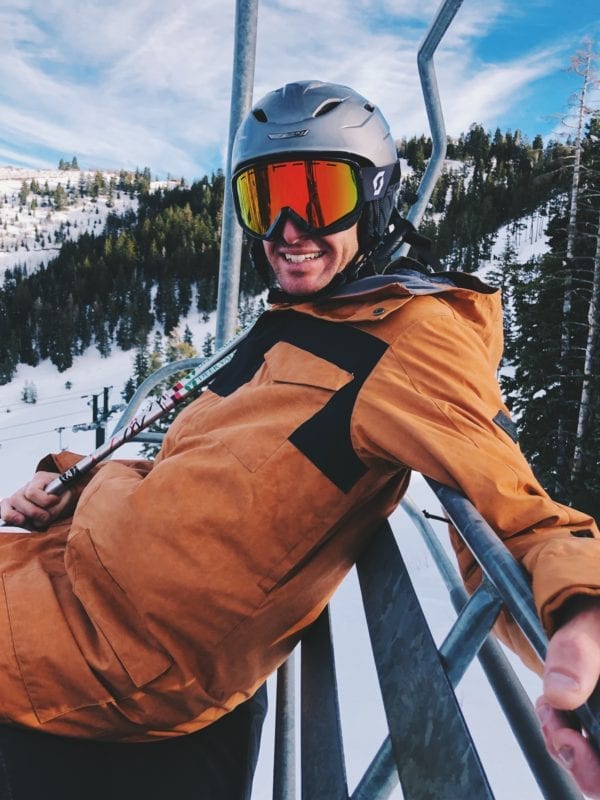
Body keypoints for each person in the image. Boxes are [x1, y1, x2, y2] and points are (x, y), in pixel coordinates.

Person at [1, 79, 599, 797]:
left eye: (317, 196)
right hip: (69, 578)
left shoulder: (410, 342)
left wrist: (581, 610)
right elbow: (208, 473)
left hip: (114, 655)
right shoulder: (310, 318)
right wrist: (74, 480)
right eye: (264, 199)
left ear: (375, 197)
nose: (286, 227)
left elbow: (517, 517)